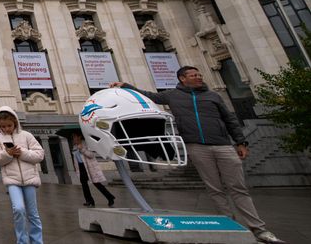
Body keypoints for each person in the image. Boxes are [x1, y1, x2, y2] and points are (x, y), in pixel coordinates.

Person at [111, 67, 285, 244]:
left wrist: (240, 142)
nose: (199, 77)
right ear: (182, 78)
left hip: (223, 145)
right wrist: (126, 85)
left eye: (199, 75)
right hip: (196, 146)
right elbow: (148, 95)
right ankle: (229, 225)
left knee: (238, 187)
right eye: (194, 75)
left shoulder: (213, 96)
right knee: (215, 188)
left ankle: (259, 229)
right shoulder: (172, 95)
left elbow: (229, 119)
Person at [0, 106, 44, 244]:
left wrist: (23, 153)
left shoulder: (26, 135)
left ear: (15, 122)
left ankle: (37, 241)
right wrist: (7, 154)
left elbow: (40, 154)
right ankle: (22, 241)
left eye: (9, 125)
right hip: (12, 180)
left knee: (33, 213)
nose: (7, 128)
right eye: (3, 126)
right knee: (19, 209)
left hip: (30, 179)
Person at [71, 133, 115, 208]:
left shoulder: (86, 144)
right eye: (73, 137)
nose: (73, 139)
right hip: (81, 168)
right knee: (84, 185)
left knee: (97, 184)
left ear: (79, 137)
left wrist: (82, 149)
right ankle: (89, 201)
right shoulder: (74, 147)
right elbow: (76, 159)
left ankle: (110, 197)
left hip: (90, 167)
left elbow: (91, 155)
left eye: (74, 137)